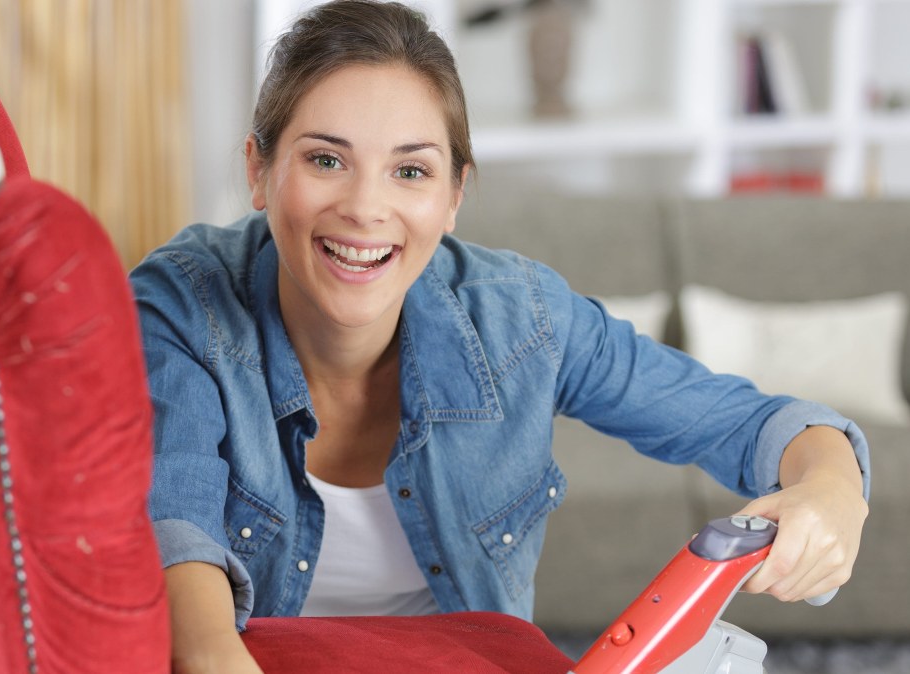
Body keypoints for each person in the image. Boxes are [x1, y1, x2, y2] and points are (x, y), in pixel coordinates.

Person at [129, 2, 870, 671]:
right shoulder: (181, 306)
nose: (365, 207)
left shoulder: (522, 320)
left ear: (453, 195)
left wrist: (833, 488)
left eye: (410, 170)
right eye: (327, 160)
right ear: (259, 171)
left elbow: (744, 424)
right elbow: (179, 549)